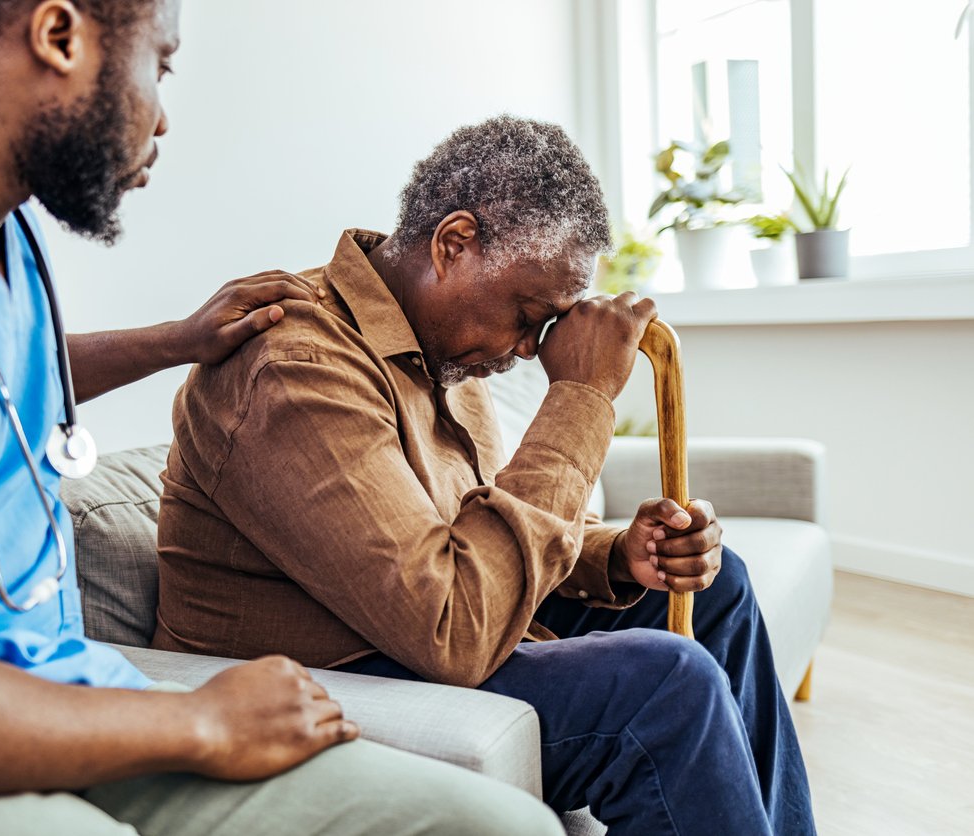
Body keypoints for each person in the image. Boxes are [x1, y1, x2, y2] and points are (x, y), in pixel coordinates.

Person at [0, 2, 564, 834]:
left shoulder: (1, 233)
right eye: (158, 66)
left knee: (488, 825)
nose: (162, 119)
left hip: (52, 692)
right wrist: (198, 721)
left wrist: (174, 341)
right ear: (59, 36)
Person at [155, 116, 819, 835]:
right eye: (528, 316)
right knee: (663, 686)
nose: (526, 350)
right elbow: (452, 625)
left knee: (718, 588)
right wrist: (582, 397)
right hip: (334, 669)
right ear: (453, 244)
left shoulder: (441, 352)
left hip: (419, 623)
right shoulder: (294, 370)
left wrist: (617, 555)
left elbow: (481, 537)